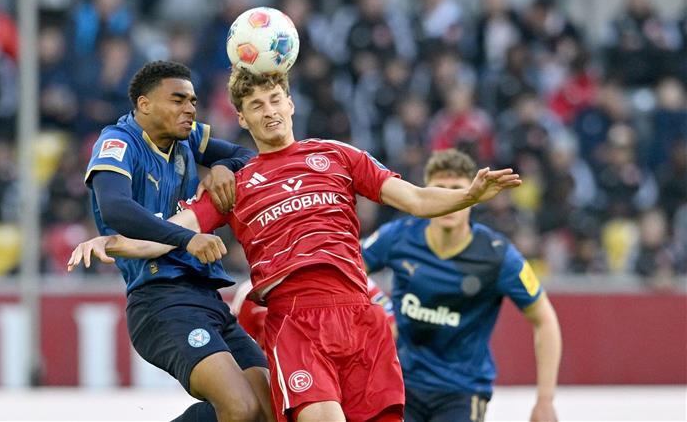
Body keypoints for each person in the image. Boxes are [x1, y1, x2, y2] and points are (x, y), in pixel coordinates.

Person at [70, 68, 521, 422]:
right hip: (297, 323)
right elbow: (173, 233)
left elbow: (418, 199)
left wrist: (468, 196)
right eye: (254, 106)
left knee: (261, 411)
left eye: (274, 100)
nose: (268, 112)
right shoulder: (236, 186)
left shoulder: (340, 156)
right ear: (242, 118)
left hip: (361, 317)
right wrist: (111, 242)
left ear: (290, 103)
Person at [81, 60, 273, 422]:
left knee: (270, 411)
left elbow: (247, 157)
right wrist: (188, 239)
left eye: (193, 102)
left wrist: (222, 167)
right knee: (240, 408)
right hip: (160, 300)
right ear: (144, 104)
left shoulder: (187, 139)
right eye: (178, 100)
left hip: (207, 299)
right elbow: (116, 208)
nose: (189, 109)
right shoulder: (118, 142)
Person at [361, 149, 561, 422]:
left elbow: (545, 320)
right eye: (439, 189)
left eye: (456, 189)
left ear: (473, 197)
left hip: (462, 391)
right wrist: (382, 307)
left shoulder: (497, 255)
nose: (447, 198)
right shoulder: (399, 236)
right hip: (400, 382)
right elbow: (346, 268)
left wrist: (545, 401)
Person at [229, 276, 396, 350]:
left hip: (347, 383)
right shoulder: (250, 292)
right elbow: (242, 349)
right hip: (275, 387)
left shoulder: (360, 282)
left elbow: (390, 328)